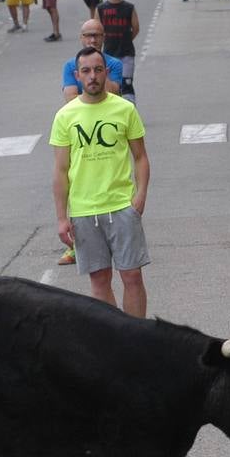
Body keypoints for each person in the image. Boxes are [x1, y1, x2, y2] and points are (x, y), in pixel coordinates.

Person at [50, 46, 151, 316]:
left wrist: (140, 196)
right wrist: (62, 218)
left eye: (97, 70)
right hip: (84, 212)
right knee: (99, 280)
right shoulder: (65, 116)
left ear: (106, 72)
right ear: (77, 76)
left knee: (132, 276)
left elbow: (140, 157)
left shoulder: (125, 109)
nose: (92, 76)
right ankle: (112, 337)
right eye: (86, 71)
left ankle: (135, 336)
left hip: (122, 206)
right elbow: (60, 170)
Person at [96, 0, 139, 100]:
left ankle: (130, 107)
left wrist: (126, 39)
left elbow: (136, 28)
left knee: (126, 84)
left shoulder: (129, 7)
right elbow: (96, 29)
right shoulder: (101, 9)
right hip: (109, 53)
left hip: (126, 53)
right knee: (112, 86)